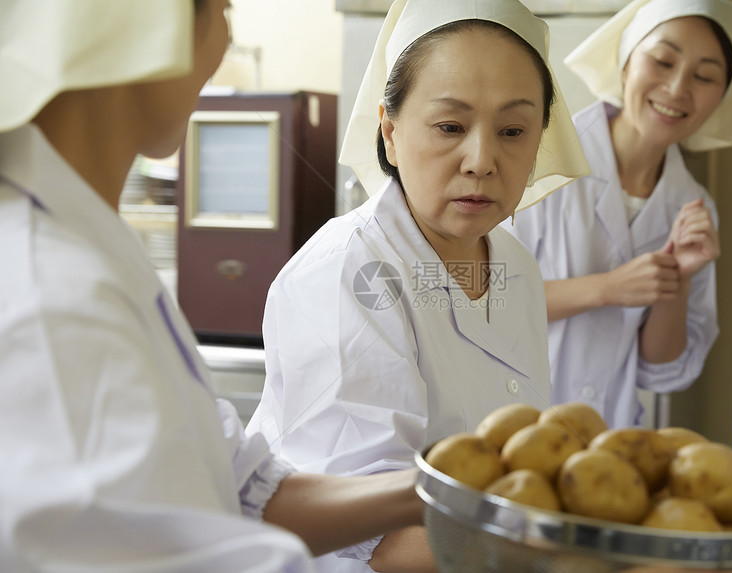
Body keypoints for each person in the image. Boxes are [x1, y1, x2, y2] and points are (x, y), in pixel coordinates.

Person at [0, 1, 426, 571]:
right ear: (152, 25)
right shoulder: (55, 299)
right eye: (222, 9)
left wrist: (448, 488)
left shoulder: (91, 246)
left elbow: (241, 494)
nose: (224, 44)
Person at [244, 0, 590, 570]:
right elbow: (368, 537)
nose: (481, 160)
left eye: (513, 130)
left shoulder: (514, 264)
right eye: (450, 126)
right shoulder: (347, 272)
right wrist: (582, 542)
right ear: (390, 127)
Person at [503, 0, 732, 429]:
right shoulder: (544, 161)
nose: (677, 88)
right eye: (662, 60)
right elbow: (485, 299)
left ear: (722, 96)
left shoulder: (692, 206)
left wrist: (678, 280)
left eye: (705, 76)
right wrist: (607, 288)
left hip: (611, 440)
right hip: (510, 423)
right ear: (625, 63)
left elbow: (660, 367)